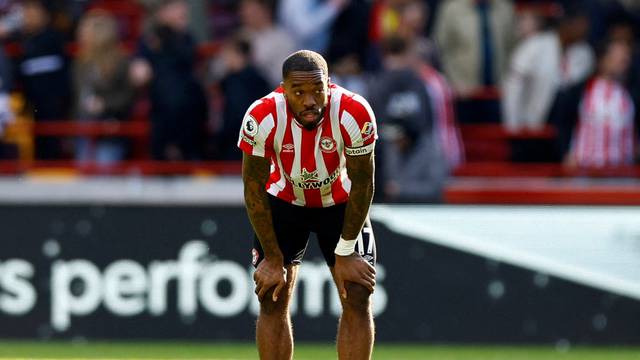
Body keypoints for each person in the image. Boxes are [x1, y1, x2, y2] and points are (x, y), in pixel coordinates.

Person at [239, 50, 377, 360]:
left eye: (317, 90)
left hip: (341, 204)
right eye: (298, 92)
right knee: (272, 296)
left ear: (329, 85)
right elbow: (253, 188)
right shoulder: (262, 116)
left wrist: (345, 251)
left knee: (357, 291)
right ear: (283, 89)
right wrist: (272, 258)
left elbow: (363, 184)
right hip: (284, 203)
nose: (309, 100)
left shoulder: (354, 112)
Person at [130, 0, 208, 160]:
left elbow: (196, 68)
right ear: (163, 12)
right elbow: (138, 70)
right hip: (164, 117)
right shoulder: (151, 39)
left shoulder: (187, 38)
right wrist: (140, 68)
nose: (183, 10)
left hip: (191, 117)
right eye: (177, 6)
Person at [73, 10, 134, 164]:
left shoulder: (120, 61)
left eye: (85, 29)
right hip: (84, 128)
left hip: (110, 129)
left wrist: (104, 105)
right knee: (84, 176)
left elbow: (128, 97)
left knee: (104, 177)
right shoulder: (80, 62)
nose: (80, 33)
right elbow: (77, 95)